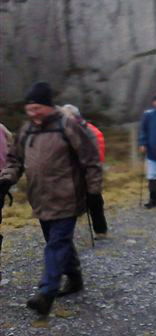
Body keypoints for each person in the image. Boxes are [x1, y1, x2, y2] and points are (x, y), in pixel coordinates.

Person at [0, 82, 103, 316]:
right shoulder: (26, 130)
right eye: (30, 108)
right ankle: (75, 277)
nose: (33, 112)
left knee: (56, 243)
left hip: (68, 196)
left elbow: (90, 161)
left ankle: (46, 293)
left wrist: (94, 194)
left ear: (48, 106)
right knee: (57, 242)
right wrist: (6, 179)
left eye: (37, 108)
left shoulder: (68, 126)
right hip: (40, 198)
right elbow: (15, 160)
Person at [61, 105, 108, 240]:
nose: (65, 119)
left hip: (89, 170)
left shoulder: (88, 130)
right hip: (70, 172)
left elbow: (95, 154)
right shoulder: (63, 130)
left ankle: (100, 229)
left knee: (94, 199)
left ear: (75, 116)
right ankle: (65, 232)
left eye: (67, 116)